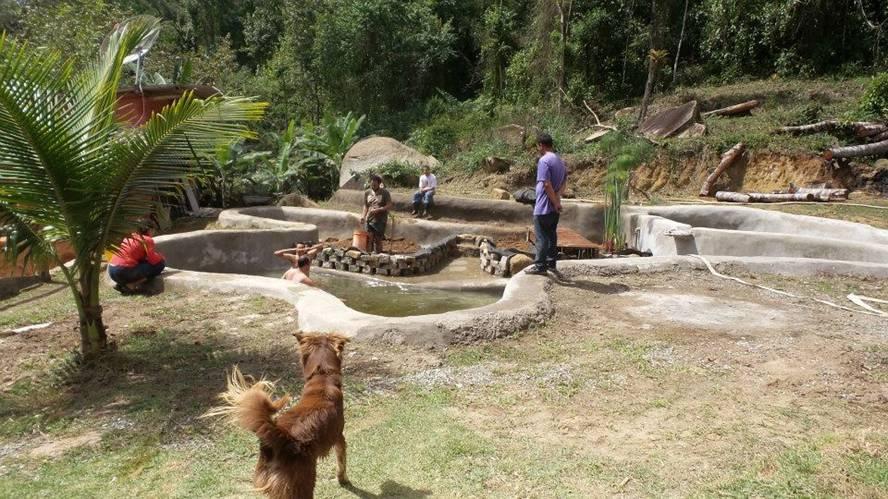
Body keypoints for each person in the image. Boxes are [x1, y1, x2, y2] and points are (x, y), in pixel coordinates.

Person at [525, 132, 568, 276]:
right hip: (555, 207)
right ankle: (551, 264)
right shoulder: (560, 161)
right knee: (551, 236)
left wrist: (553, 201)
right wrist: (557, 200)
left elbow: (546, 184)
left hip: (544, 206)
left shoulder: (544, 161)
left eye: (538, 146)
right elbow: (563, 184)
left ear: (541, 145)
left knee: (541, 237)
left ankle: (540, 265)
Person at [108, 219, 166, 295]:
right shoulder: (147, 239)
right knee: (160, 265)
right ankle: (132, 284)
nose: (154, 232)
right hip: (123, 271)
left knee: (140, 263)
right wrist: (161, 257)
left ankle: (121, 284)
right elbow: (153, 260)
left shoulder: (130, 236)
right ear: (150, 230)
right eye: (154, 230)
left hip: (111, 271)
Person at [360, 174, 393, 253]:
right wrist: (363, 216)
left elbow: (389, 204)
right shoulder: (367, 192)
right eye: (371, 184)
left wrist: (380, 209)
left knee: (378, 239)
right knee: (369, 238)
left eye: (374, 184)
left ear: (379, 184)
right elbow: (365, 206)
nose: (373, 186)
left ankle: (378, 256)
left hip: (380, 220)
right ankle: (368, 256)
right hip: (369, 219)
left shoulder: (385, 193)